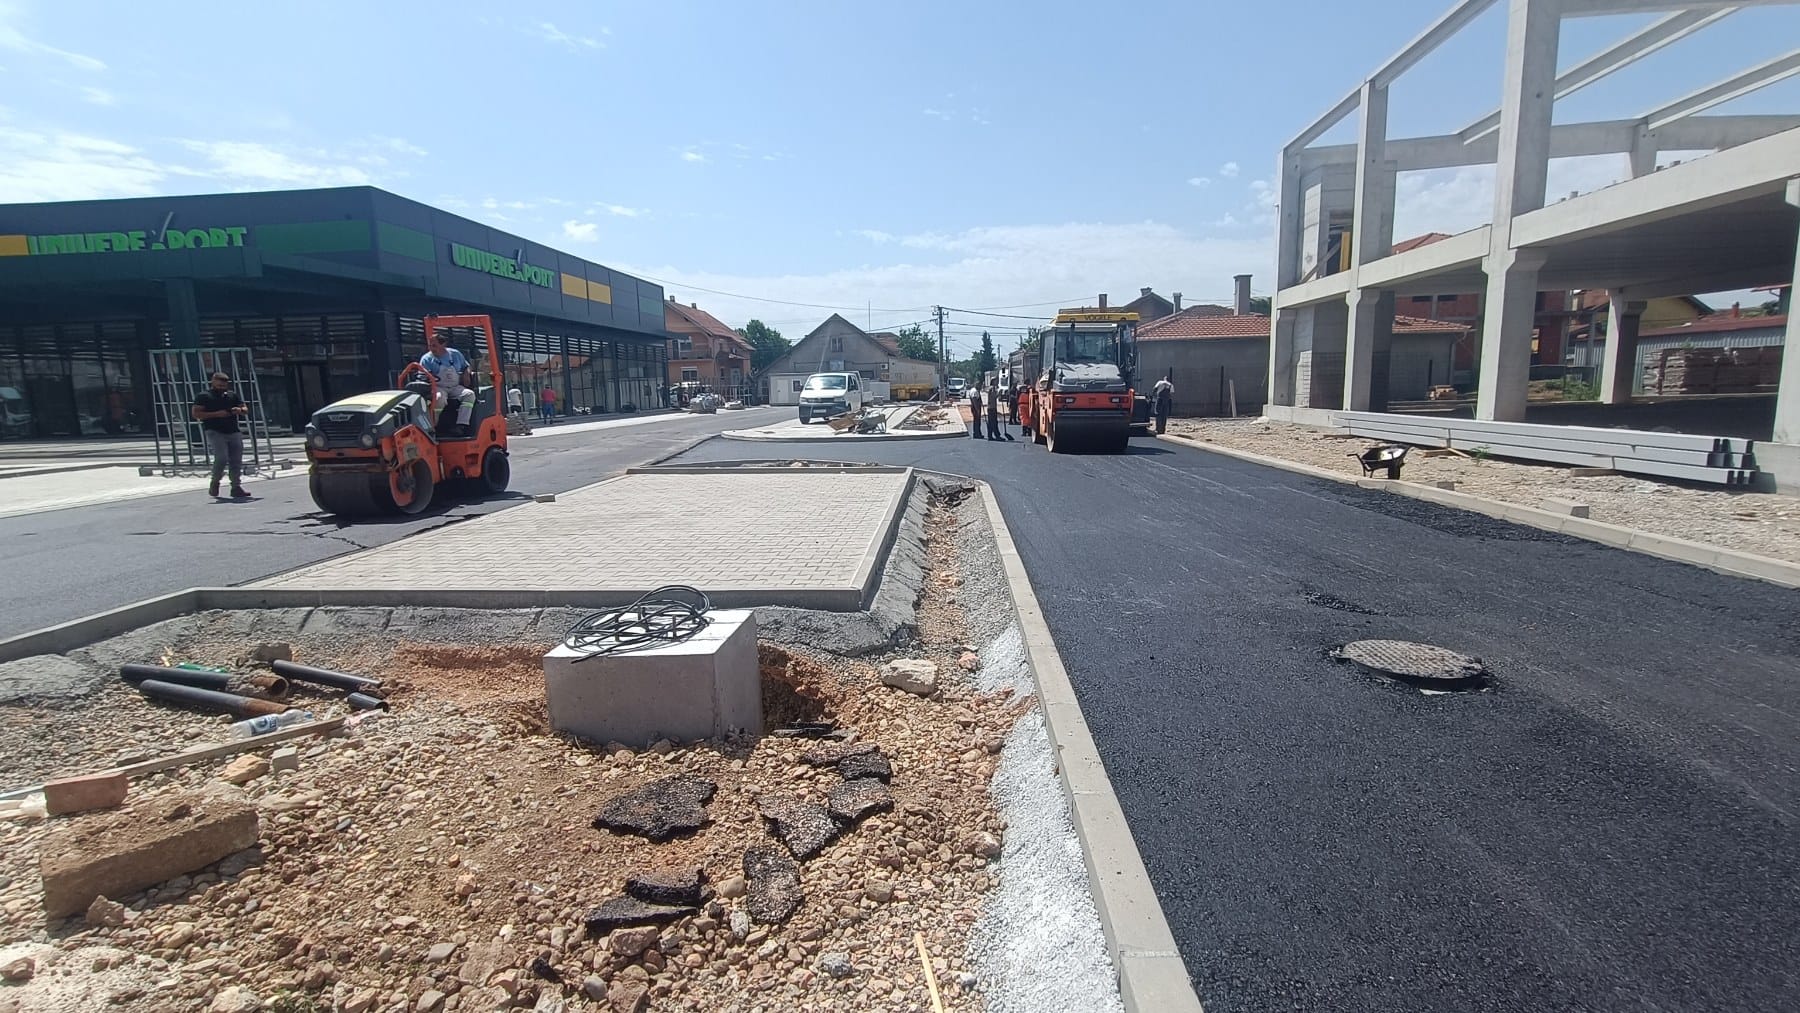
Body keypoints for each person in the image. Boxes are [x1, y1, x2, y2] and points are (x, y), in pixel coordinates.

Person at [191, 371, 249, 499]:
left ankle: (236, 486)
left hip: (233, 430)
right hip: (214, 430)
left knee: (236, 459)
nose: (222, 388)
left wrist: (239, 410)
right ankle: (215, 481)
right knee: (221, 458)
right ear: (213, 382)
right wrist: (217, 414)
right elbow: (196, 414)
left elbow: (245, 408)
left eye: (224, 385)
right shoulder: (204, 396)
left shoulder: (231, 395)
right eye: (219, 385)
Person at [420, 332, 476, 436]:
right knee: (439, 398)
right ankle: (433, 427)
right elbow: (422, 376)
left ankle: (461, 425)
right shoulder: (426, 359)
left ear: (443, 344)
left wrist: (466, 374)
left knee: (469, 395)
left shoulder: (455, 354)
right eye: (430, 346)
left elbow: (466, 366)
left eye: (434, 345)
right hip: (438, 387)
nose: (431, 348)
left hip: (455, 387)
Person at [1152, 371, 1175, 435]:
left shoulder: (1160, 382)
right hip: (1166, 401)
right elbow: (1171, 394)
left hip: (1160, 399)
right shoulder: (1170, 385)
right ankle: (1163, 430)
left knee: (1158, 413)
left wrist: (1153, 396)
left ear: (1164, 379)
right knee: (1164, 415)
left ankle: (1158, 429)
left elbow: (1154, 389)